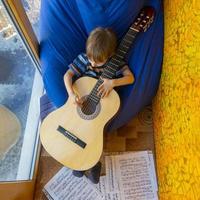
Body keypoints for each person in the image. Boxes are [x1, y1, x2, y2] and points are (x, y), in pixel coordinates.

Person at [63, 27, 134, 184]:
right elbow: (67, 75)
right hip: (82, 102)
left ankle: (92, 162)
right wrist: (71, 94)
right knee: (75, 126)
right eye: (91, 58)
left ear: (110, 55)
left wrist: (113, 82)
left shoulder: (116, 63)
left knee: (94, 134)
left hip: (102, 106)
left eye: (98, 61)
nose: (93, 63)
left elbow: (130, 78)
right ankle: (81, 162)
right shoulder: (83, 59)